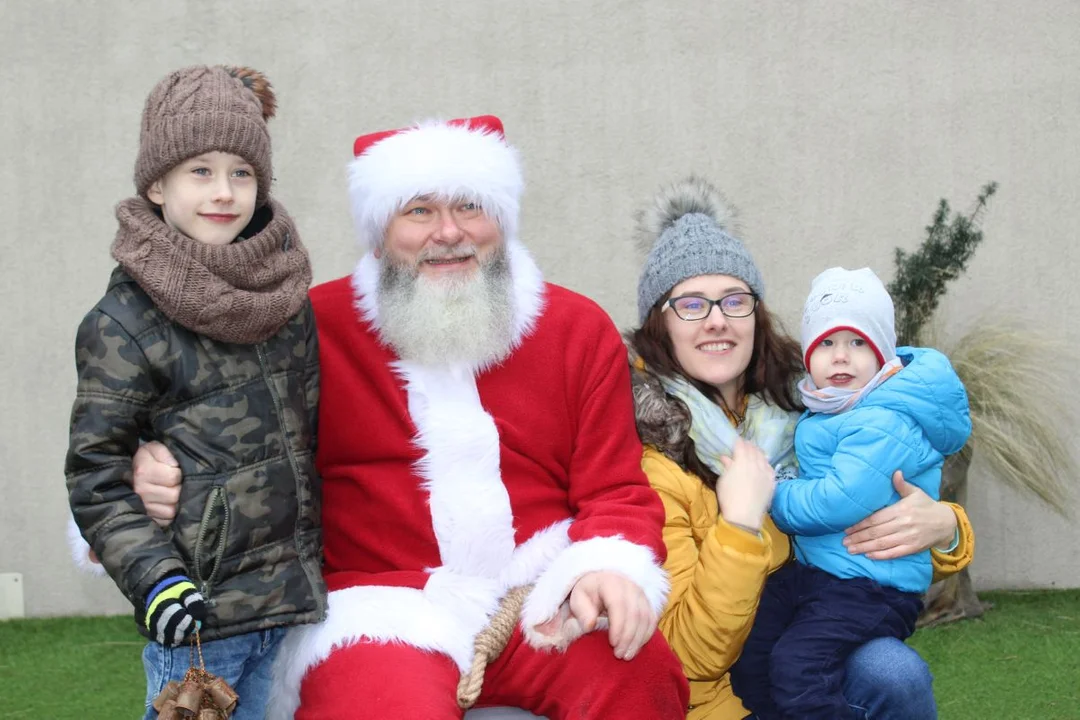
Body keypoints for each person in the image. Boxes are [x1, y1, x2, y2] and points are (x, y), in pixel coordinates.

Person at [129, 115, 690, 720]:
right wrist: (154, 466)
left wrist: (607, 565)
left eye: (471, 207)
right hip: (378, 611)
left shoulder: (574, 328)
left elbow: (614, 487)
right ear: (378, 233)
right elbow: (217, 433)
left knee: (642, 675)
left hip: (536, 595)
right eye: (418, 211)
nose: (449, 232)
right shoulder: (305, 329)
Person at [628, 177, 975, 720]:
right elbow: (688, 652)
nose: (717, 319)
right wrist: (740, 523)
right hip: (716, 684)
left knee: (893, 673)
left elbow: (876, 491)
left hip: (808, 620)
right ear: (659, 322)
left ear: (756, 314)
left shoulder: (809, 398)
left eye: (734, 300)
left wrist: (948, 526)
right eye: (691, 303)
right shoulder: (646, 448)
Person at [64, 65, 326, 720]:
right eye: (200, 171)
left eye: (242, 172)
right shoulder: (124, 323)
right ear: (157, 183)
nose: (225, 192)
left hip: (287, 605)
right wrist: (157, 581)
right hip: (199, 622)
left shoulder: (285, 298)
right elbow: (96, 475)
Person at [728, 266, 971, 719]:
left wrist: (770, 493)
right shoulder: (831, 409)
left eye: (858, 342)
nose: (841, 356)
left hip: (868, 588)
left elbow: (838, 501)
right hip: (820, 576)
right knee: (754, 649)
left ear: (884, 354)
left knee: (799, 666)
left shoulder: (881, 419)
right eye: (827, 343)